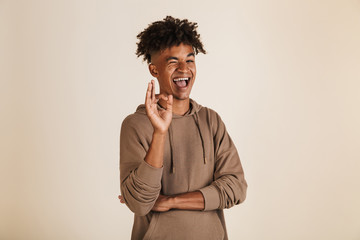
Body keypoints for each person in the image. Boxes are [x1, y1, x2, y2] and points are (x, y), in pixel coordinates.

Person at [118, 16, 247, 240]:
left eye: (189, 60)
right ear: (154, 70)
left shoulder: (210, 120)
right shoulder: (136, 125)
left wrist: (172, 201)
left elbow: (236, 187)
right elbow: (140, 203)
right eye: (172, 62)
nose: (183, 69)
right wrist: (160, 131)